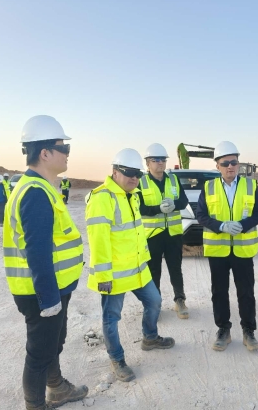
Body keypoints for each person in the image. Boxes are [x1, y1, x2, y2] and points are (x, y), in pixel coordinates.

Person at [3, 115, 88, 410]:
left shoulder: (42, 186)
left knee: (53, 344)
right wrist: (49, 299)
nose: (67, 153)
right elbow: (37, 252)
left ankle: (57, 388)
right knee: (39, 354)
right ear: (45, 153)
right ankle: (35, 405)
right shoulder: (35, 193)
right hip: (41, 291)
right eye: (63, 147)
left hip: (52, 287)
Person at [86, 148, 175, 383]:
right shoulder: (102, 198)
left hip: (137, 268)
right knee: (111, 318)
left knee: (154, 302)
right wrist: (103, 276)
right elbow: (98, 240)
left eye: (138, 174)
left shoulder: (133, 195)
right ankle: (117, 359)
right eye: (129, 173)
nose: (134, 178)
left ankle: (150, 337)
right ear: (115, 171)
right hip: (114, 274)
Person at [196, 141, 258, 352]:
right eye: (225, 163)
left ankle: (248, 331)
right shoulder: (208, 187)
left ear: (238, 163)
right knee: (219, 292)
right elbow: (201, 215)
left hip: (243, 249)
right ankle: (223, 330)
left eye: (234, 162)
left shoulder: (250, 186)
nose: (230, 166)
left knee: (246, 292)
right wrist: (221, 226)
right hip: (218, 250)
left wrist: (243, 225)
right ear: (217, 166)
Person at [138, 143, 190, 319]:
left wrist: (175, 205)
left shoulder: (173, 179)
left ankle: (180, 300)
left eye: (163, 159)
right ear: (148, 163)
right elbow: (139, 207)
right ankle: (155, 305)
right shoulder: (141, 182)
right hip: (152, 235)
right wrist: (158, 209)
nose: (160, 162)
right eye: (156, 160)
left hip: (173, 234)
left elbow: (183, 201)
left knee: (176, 269)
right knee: (154, 271)